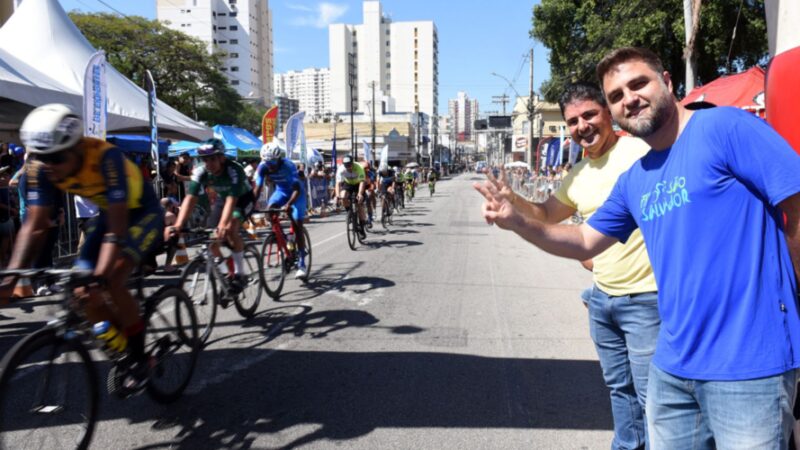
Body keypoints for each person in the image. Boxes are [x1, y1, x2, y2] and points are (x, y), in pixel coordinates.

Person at [476, 47, 800, 448]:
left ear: (666, 81)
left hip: (749, 364)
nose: (628, 98)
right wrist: (518, 222)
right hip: (672, 368)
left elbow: (795, 203)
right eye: (616, 95)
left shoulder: (725, 128)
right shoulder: (637, 177)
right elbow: (583, 240)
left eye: (638, 83)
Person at [488, 81, 660, 449]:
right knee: (620, 390)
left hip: (648, 299)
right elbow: (549, 214)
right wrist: (512, 199)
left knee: (654, 399)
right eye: (572, 120)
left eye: (589, 115)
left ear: (608, 113)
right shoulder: (578, 173)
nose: (581, 125)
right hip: (603, 299)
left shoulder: (641, 152)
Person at [1, 103, 163, 391]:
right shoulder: (41, 167)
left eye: (57, 157)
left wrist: (100, 274)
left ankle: (140, 357)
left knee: (110, 280)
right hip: (108, 214)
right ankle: (121, 339)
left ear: (76, 147)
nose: (49, 165)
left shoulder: (105, 158)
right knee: (81, 295)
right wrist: (12, 275)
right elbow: (34, 224)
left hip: (139, 212)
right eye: (42, 157)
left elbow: (117, 228)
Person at [171, 138, 255, 291]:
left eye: (212, 159)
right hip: (223, 200)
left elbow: (233, 198)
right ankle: (226, 276)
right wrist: (178, 224)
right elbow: (190, 198)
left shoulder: (234, 169)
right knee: (211, 240)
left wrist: (223, 225)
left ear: (222, 158)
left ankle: (240, 274)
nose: (208, 163)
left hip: (242, 199)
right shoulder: (201, 171)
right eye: (205, 160)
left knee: (230, 228)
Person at [253, 140, 309, 279]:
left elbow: (296, 189)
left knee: (296, 222)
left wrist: (288, 204)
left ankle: (302, 262)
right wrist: (250, 204)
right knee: (269, 211)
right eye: (267, 163)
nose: (270, 166)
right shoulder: (262, 167)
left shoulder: (288, 166)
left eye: (272, 163)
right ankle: (283, 239)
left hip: (297, 193)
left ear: (278, 159)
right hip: (282, 191)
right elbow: (258, 187)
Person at [335, 155, 367, 239]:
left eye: (349, 165)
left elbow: (362, 182)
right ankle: (349, 213)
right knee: (343, 196)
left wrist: (360, 193)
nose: (348, 167)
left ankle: (362, 228)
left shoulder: (359, 167)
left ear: (352, 163)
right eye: (346, 166)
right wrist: (337, 195)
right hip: (348, 184)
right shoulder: (341, 169)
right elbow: (338, 184)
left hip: (358, 184)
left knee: (359, 203)